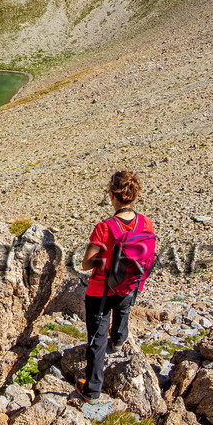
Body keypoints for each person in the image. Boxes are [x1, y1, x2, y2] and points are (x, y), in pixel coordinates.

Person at [73, 170, 153, 403]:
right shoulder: (145, 223)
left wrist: (106, 258)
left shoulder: (104, 227)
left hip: (101, 291)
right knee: (123, 309)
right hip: (129, 285)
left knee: (97, 340)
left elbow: (86, 264)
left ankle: (92, 391)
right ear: (134, 195)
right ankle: (118, 340)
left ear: (112, 195)